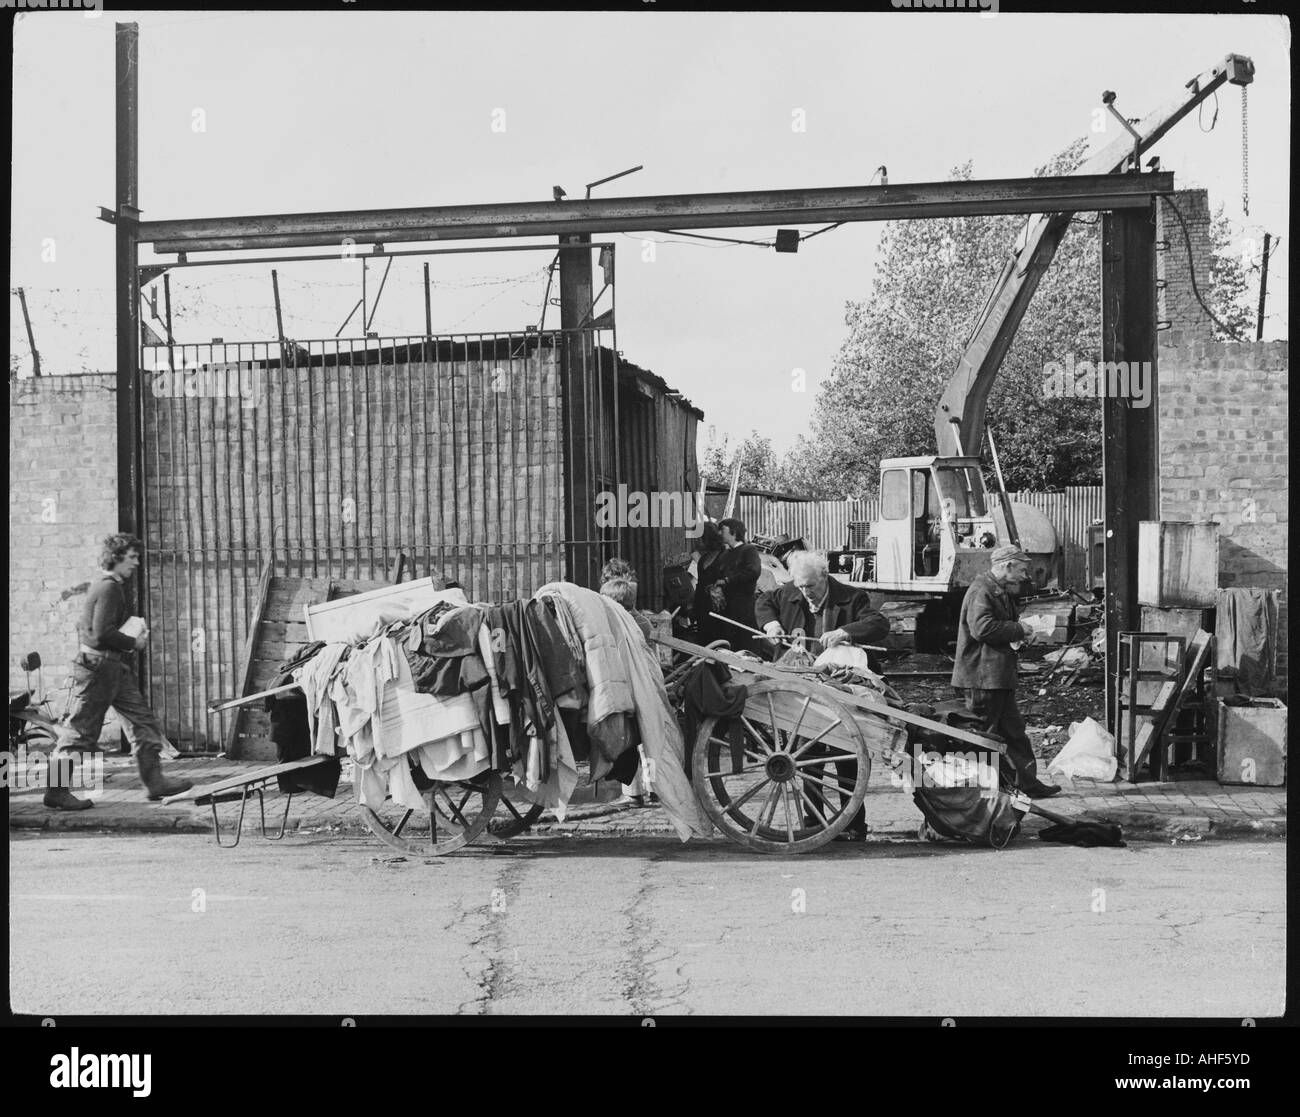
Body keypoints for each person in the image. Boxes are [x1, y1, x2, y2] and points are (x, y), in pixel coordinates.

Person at [756, 549, 890, 840]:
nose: (806, 594)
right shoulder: (792, 590)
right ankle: (813, 823)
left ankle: (853, 825)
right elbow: (764, 601)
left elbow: (880, 624)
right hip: (802, 693)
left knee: (846, 758)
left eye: (812, 587)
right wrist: (771, 624)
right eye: (801, 587)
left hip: (839, 693)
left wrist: (846, 631)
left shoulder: (852, 597)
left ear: (825, 577)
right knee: (806, 761)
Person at [53, 533, 193, 806]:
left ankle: (155, 783)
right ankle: (56, 791)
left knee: (142, 722)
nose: (137, 563)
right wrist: (134, 641)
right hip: (99, 667)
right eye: (132, 557)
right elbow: (102, 633)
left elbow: (94, 629)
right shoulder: (108, 588)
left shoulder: (107, 585)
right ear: (116, 558)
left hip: (111, 666)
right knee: (80, 733)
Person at [951, 544, 1061, 799]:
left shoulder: (997, 590)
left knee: (1014, 732)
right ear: (1007, 566)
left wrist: (1018, 636)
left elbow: (996, 629)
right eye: (1022, 569)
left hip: (996, 677)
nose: (1026, 575)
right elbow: (983, 629)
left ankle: (1027, 784)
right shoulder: (982, 590)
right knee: (984, 735)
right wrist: (1019, 630)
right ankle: (981, 790)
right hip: (981, 679)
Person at [710, 518, 762, 652]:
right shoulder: (725, 554)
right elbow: (715, 575)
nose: (719, 533)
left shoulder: (748, 550)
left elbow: (753, 571)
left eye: (723, 530)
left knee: (745, 640)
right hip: (726, 606)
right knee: (728, 641)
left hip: (744, 605)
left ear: (734, 532)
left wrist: (728, 581)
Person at [688, 522, 729, 647]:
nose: (694, 543)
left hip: (719, 608)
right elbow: (700, 584)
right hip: (703, 607)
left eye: (696, 539)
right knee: (704, 642)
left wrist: (717, 587)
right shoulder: (704, 558)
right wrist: (694, 607)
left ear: (706, 538)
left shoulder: (725, 556)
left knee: (718, 642)